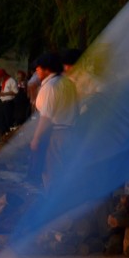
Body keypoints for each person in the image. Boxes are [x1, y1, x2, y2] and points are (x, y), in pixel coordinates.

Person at [30, 51, 79, 188]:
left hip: (57, 134)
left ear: (47, 69)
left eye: (38, 68)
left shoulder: (51, 87)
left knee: (52, 172)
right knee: (64, 172)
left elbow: (46, 117)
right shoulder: (67, 83)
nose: (36, 70)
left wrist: (36, 138)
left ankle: (53, 204)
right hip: (70, 132)